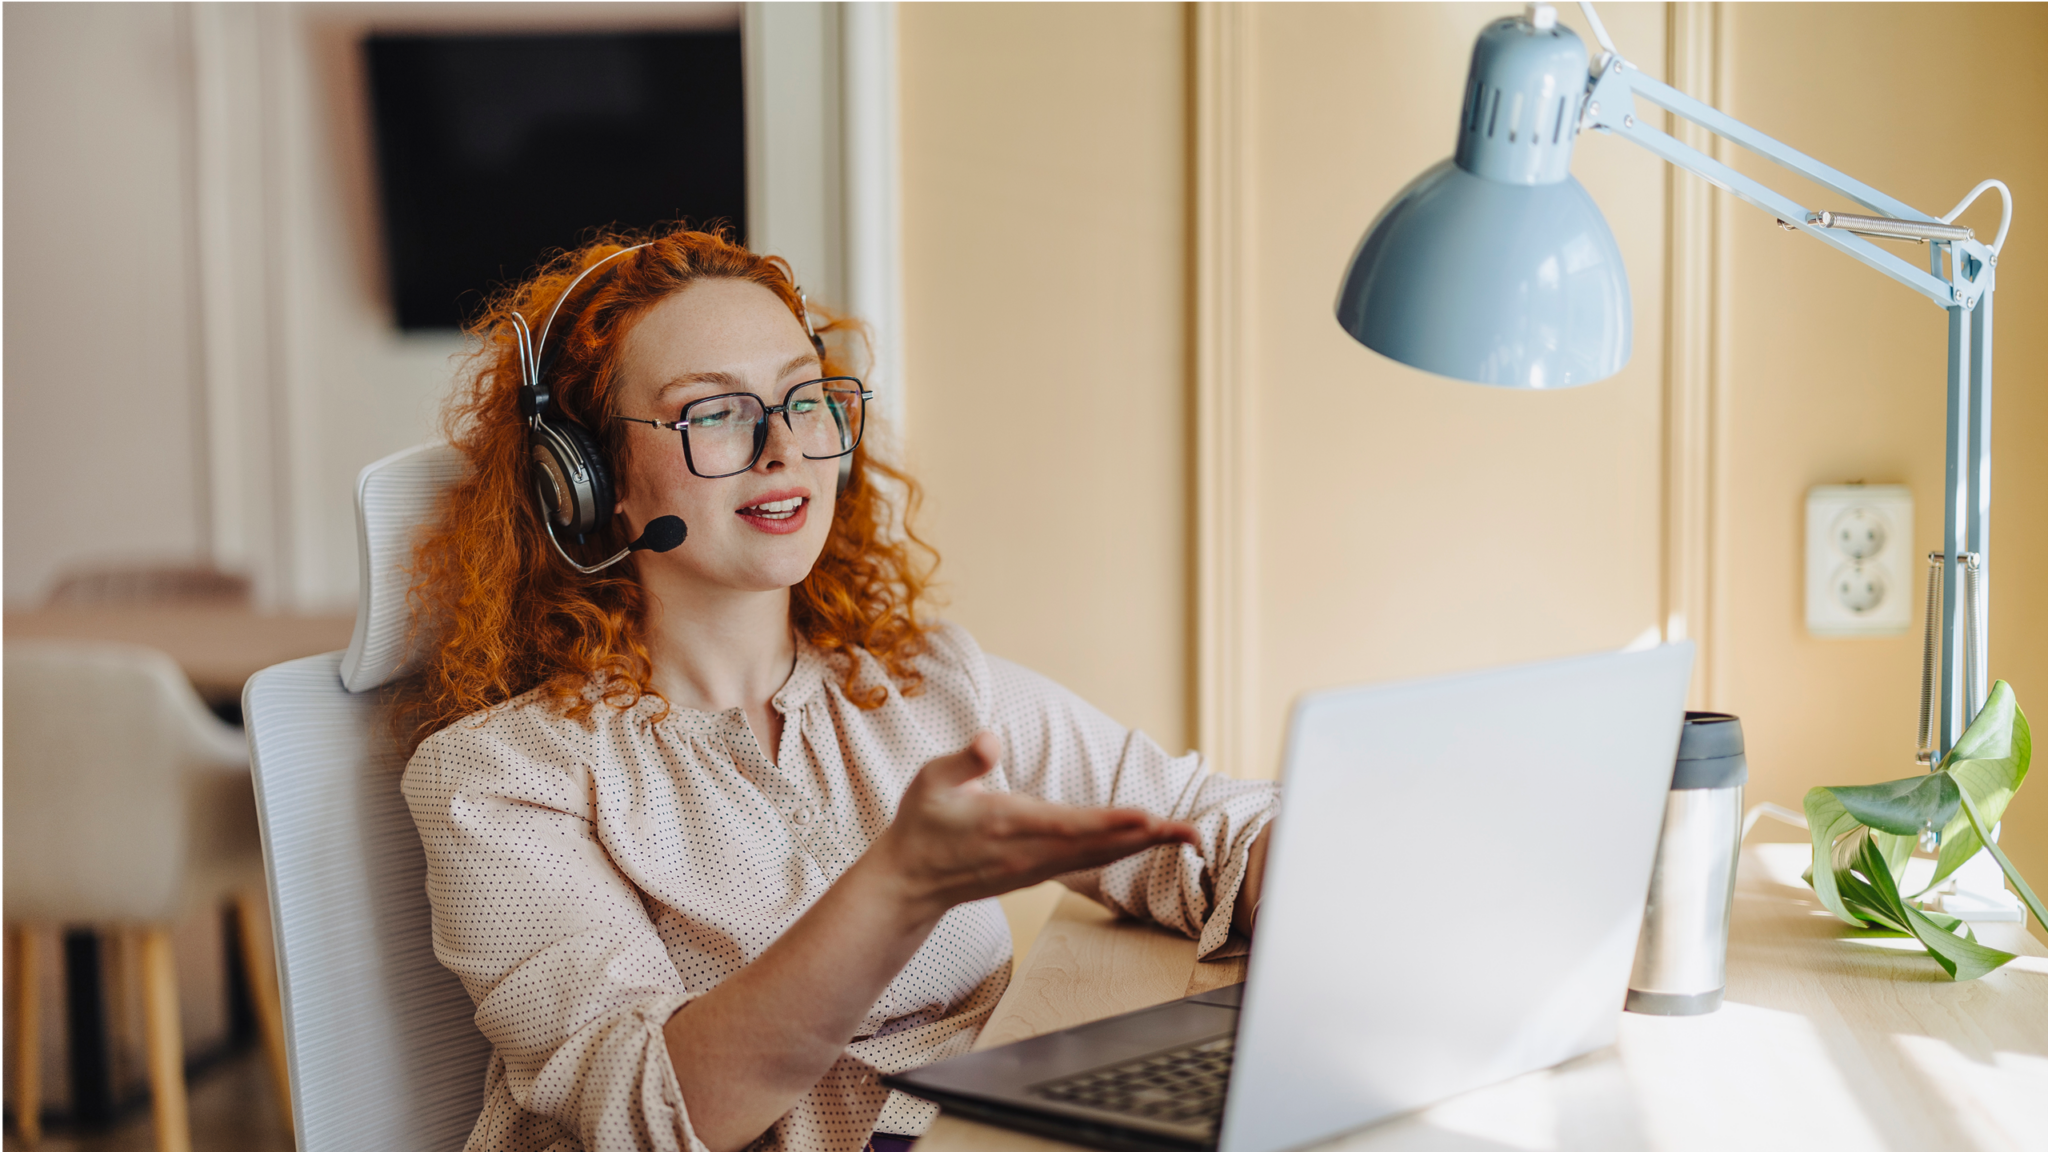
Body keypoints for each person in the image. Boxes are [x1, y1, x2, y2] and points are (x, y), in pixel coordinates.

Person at [397, 227, 1277, 1152]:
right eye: (714, 414)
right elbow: (659, 1117)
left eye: (803, 398)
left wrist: (1321, 866)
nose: (783, 448)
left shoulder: (925, 683)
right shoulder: (500, 778)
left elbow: (1203, 828)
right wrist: (896, 888)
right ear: (586, 479)